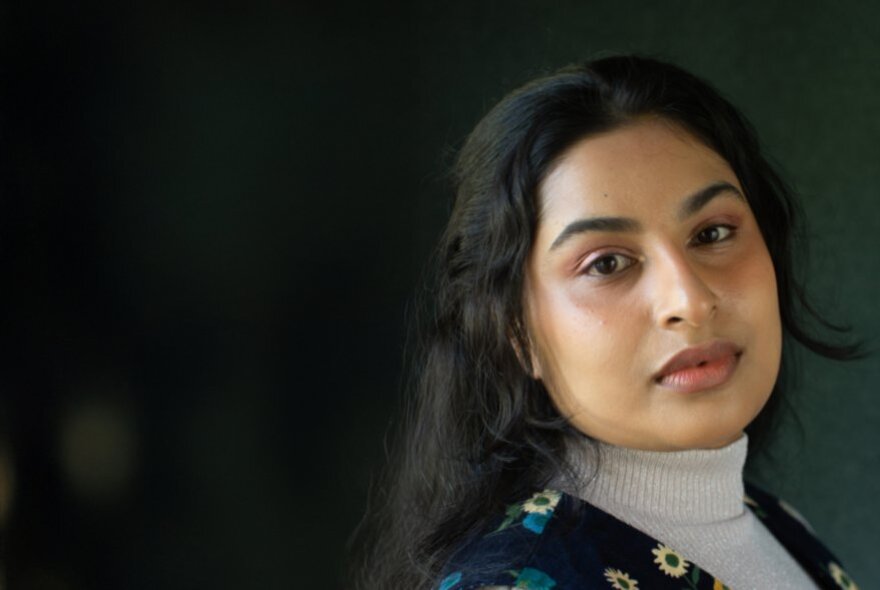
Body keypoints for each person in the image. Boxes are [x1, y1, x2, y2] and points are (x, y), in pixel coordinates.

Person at [352, 55, 862, 590]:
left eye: (712, 233)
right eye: (607, 264)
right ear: (516, 332)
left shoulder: (779, 526)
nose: (688, 300)